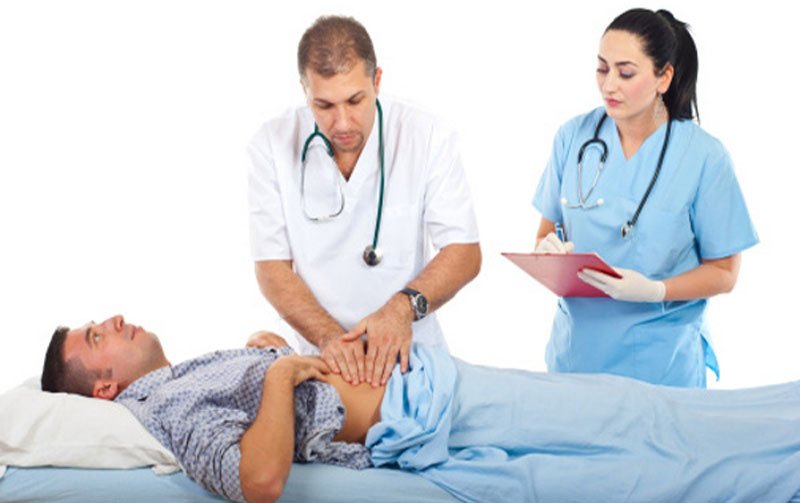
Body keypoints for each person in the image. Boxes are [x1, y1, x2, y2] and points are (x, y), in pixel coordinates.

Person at [41, 314, 800, 503]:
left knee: (635, 411)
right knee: (636, 420)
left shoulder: (176, 380)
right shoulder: (160, 411)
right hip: (426, 410)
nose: (115, 320)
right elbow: (258, 479)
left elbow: (251, 414)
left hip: (426, 392)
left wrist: (263, 354)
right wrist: (280, 377)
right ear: (104, 387)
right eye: (98, 337)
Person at [247, 15, 481, 388]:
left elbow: (464, 252)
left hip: (412, 360)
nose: (342, 123)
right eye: (324, 105)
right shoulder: (271, 144)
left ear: (377, 81)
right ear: (304, 91)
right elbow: (271, 268)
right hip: (319, 359)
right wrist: (328, 337)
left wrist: (401, 309)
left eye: (355, 100)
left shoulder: (426, 135)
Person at [532, 8, 758, 388]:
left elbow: (724, 273)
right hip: (575, 360)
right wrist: (546, 251)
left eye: (625, 73)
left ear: (663, 77)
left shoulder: (704, 157)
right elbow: (546, 230)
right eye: (602, 69)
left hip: (662, 366)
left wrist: (657, 290)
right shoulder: (573, 137)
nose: (608, 85)